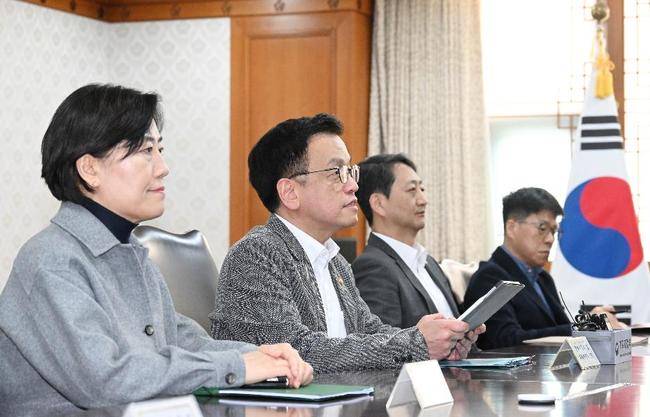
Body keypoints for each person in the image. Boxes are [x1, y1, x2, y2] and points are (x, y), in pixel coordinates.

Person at [0, 84, 312, 416]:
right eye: (146, 150)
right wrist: (240, 365)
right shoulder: (51, 260)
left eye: (159, 149)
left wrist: (262, 355)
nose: (163, 167)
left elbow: (180, 340)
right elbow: (107, 380)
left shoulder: (130, 252)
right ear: (90, 169)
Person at [210, 113, 484, 372]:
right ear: (290, 192)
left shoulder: (336, 262)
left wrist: (439, 341)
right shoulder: (256, 255)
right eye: (336, 172)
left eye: (350, 171)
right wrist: (416, 344)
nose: (353, 185)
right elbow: (295, 351)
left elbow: (370, 331)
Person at [463, 187, 623, 349]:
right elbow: (504, 341)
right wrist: (587, 326)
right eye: (542, 228)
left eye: (554, 231)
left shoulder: (542, 278)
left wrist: (590, 324)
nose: (550, 239)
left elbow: (561, 328)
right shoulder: (489, 277)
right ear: (512, 227)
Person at [352, 153, 460, 328]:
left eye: (422, 189)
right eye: (412, 190)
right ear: (379, 204)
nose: (423, 200)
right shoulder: (373, 267)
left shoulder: (428, 262)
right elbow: (383, 341)